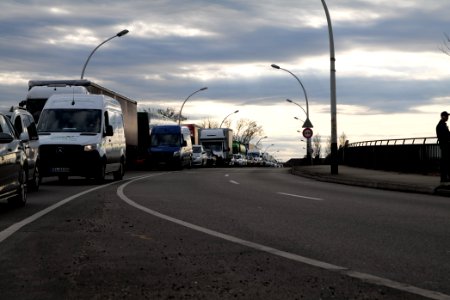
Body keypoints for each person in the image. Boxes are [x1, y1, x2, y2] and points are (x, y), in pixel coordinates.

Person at [436, 111, 450, 183]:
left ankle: (445, 177)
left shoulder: (442, 125)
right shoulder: (441, 125)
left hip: (445, 145)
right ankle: (444, 178)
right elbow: (444, 136)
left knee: (445, 162)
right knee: (445, 162)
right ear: (442, 116)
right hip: (445, 146)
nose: (448, 117)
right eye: (446, 116)